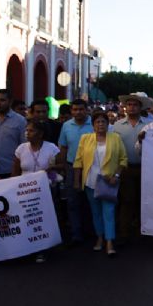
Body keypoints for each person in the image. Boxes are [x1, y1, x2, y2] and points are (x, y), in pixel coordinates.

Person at [73, 110, 127, 257]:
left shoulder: (115, 138)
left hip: (109, 182)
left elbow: (123, 159)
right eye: (97, 122)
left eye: (103, 121)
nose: (100, 124)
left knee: (108, 212)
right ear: (93, 125)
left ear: (108, 124)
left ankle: (109, 241)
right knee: (96, 213)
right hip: (90, 182)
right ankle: (99, 238)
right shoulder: (85, 138)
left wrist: (116, 175)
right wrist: (77, 181)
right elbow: (78, 161)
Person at [12, 119, 62, 263]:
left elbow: (62, 165)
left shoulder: (51, 147)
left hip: (45, 190)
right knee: (26, 219)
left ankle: (42, 249)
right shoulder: (21, 148)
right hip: (25, 191)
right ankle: (28, 248)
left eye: (31, 130)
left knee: (42, 220)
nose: (27, 133)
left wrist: (52, 168)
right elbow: (15, 170)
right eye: (26, 130)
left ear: (40, 134)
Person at [114, 92, 153, 244]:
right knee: (126, 200)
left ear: (140, 107)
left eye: (135, 105)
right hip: (124, 168)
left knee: (143, 200)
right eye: (129, 105)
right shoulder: (116, 125)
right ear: (125, 107)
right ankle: (124, 232)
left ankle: (142, 230)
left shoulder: (149, 125)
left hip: (146, 168)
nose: (131, 107)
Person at [58, 99, 94, 246]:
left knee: (90, 202)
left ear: (87, 110)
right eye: (75, 110)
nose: (78, 112)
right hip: (72, 168)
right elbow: (63, 147)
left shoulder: (94, 124)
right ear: (71, 111)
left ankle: (91, 232)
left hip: (91, 168)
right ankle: (76, 233)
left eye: (81, 109)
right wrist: (64, 167)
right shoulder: (66, 126)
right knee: (73, 202)